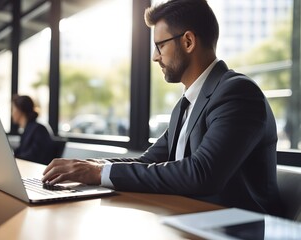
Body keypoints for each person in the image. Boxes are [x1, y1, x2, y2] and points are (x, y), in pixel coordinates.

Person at [42, 0, 283, 216]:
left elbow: (202, 174)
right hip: (189, 217)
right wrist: (89, 167)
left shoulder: (237, 92)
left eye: (159, 46)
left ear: (188, 41)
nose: (155, 57)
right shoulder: (186, 104)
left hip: (236, 228)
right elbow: (148, 161)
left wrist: (97, 174)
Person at [12, 95, 54, 165]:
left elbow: (34, 156)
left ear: (19, 110)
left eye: (13, 109)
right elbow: (20, 152)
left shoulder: (39, 129)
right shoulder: (26, 130)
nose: (12, 114)